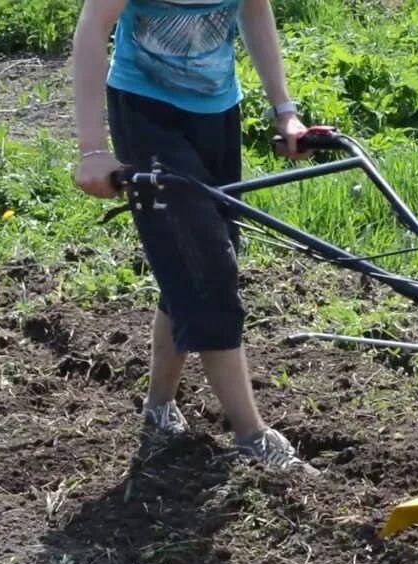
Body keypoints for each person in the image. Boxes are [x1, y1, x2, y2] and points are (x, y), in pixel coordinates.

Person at [71, 0, 319, 476]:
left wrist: (285, 111)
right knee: (208, 268)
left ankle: (158, 407)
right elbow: (93, 26)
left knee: (191, 260)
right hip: (145, 115)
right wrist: (92, 149)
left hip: (217, 112)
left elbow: (254, 10)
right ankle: (252, 436)